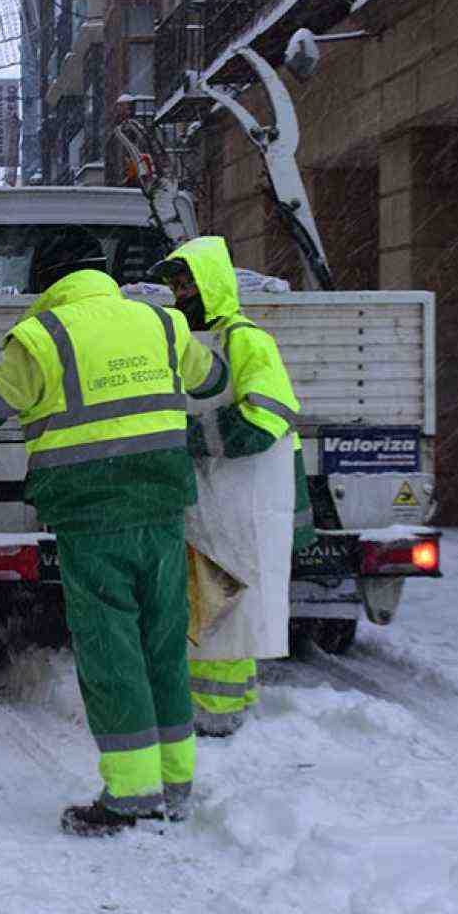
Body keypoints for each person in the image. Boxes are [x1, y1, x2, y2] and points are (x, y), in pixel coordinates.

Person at [0, 227, 229, 836]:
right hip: (161, 507)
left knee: (111, 650)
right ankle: (175, 785)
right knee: (163, 644)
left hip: (93, 518)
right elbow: (212, 378)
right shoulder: (161, 323)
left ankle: (130, 795)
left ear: (48, 281)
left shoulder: (42, 337)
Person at [149, 236, 315, 737]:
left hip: (240, 501)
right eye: (175, 284)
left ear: (211, 284)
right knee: (216, 603)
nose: (180, 293)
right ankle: (228, 705)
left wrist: (192, 436)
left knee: (220, 608)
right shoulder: (196, 342)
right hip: (215, 499)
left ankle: (215, 716)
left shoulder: (245, 339)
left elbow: (267, 416)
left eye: (187, 283)